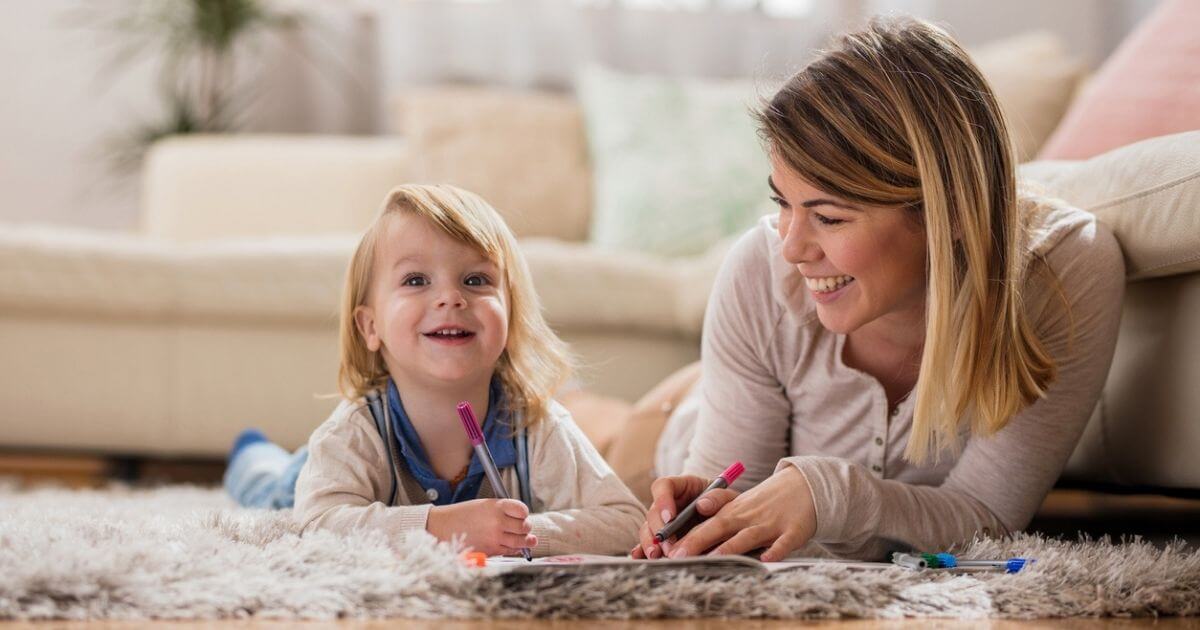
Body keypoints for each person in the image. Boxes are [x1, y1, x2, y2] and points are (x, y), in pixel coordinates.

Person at [633, 16, 1125, 562]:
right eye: (782, 204)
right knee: (577, 434)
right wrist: (708, 517)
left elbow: (987, 520)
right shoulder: (758, 269)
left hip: (737, 383)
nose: (791, 248)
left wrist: (834, 494)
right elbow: (733, 511)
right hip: (674, 420)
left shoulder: (1064, 272)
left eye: (830, 218)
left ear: (950, 212)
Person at [224, 184, 644, 557]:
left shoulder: (537, 424)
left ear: (511, 316)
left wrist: (518, 532)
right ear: (371, 326)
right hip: (308, 477)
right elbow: (316, 523)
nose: (450, 297)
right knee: (267, 486)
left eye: (476, 280)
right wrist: (442, 528)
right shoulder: (351, 432)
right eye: (416, 280)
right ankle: (252, 452)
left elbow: (626, 520)